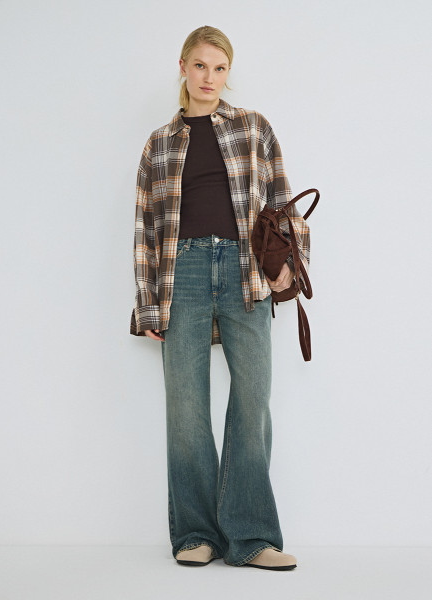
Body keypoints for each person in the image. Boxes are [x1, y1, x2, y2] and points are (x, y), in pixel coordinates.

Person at [130, 25, 311, 571]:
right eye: (201, 65)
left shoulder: (254, 127)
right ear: (183, 67)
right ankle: (195, 534)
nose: (210, 77)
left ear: (228, 73)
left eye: (220, 67)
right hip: (181, 272)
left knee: (253, 400)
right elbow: (145, 227)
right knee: (186, 406)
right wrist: (148, 302)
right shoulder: (159, 143)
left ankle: (251, 537)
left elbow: (282, 200)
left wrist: (288, 266)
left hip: (243, 271)